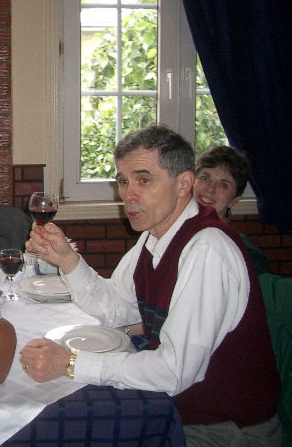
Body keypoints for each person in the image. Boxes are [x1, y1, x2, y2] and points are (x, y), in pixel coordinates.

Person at [20, 125, 281, 446]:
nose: (128, 195)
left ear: (183, 183)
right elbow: (116, 310)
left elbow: (173, 372)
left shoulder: (207, 250)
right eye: (124, 181)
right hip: (179, 410)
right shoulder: (153, 237)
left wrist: (71, 363)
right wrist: (67, 260)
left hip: (224, 428)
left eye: (144, 180)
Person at [193, 145, 271, 275]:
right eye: (205, 178)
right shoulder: (165, 230)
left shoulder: (245, 253)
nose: (211, 188)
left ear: (234, 200)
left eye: (223, 185)